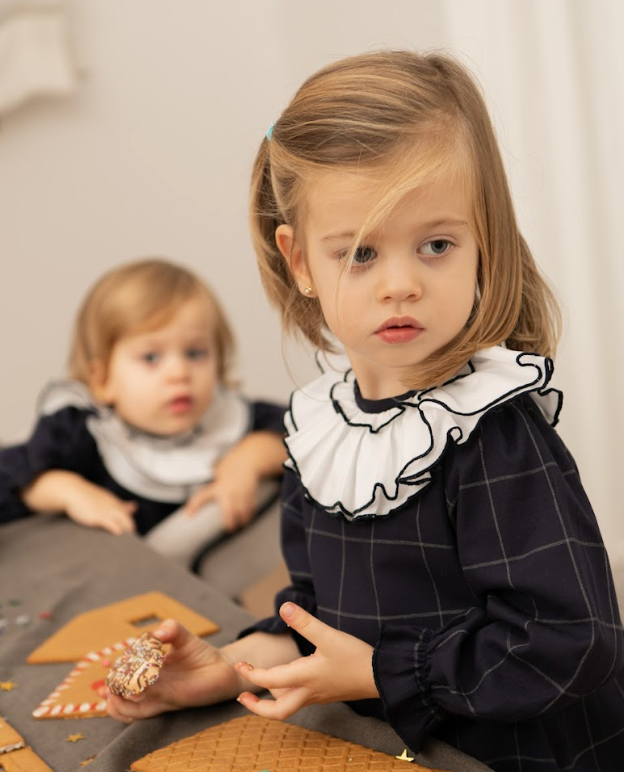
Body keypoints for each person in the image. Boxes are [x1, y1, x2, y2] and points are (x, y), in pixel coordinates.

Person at [101, 51, 624, 771]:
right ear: (301, 262)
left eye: (436, 245)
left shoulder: (494, 437)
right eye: (360, 253)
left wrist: (385, 673)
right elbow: (315, 612)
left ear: (484, 244)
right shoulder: (322, 429)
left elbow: (569, 640)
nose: (401, 284)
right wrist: (230, 666)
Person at [0, 258, 287, 565]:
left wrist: (248, 460)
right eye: (151, 357)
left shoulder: (227, 420)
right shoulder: (80, 431)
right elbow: (15, 474)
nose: (179, 372)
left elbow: (298, 432)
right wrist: (71, 492)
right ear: (102, 380)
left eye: (195, 353)